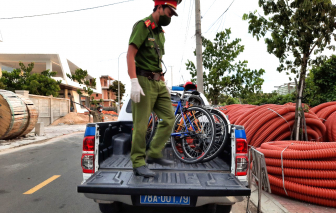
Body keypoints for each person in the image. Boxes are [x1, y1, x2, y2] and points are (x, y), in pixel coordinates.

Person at [127, 0, 182, 177]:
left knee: (169, 118)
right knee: (141, 126)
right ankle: (138, 162)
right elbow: (130, 54)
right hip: (143, 81)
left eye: (173, 14)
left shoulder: (160, 33)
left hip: (158, 82)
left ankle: (155, 153)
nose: (170, 16)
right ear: (159, 7)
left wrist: (164, 82)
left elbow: (157, 61)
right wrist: (133, 81)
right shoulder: (143, 26)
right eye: (169, 12)